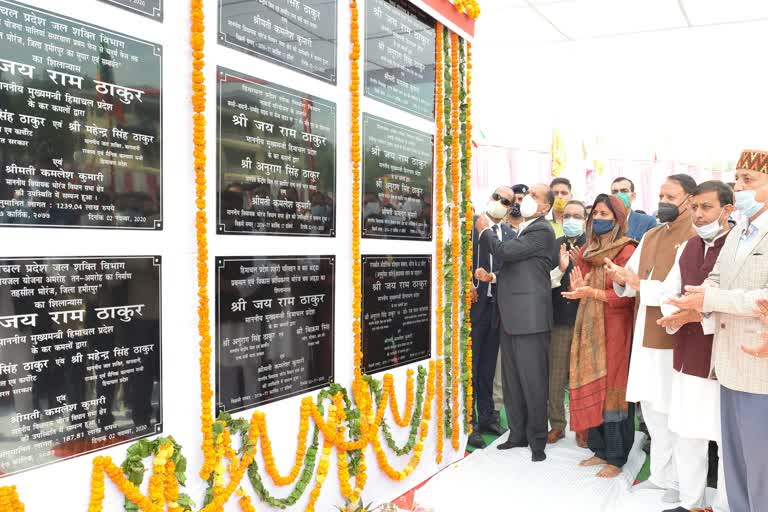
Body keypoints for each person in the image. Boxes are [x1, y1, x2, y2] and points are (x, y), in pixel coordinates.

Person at [666, 150, 768, 512]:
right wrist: (695, 300)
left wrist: (712, 297)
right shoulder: (740, 230)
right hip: (727, 365)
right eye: (737, 179)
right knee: (737, 462)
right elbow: (717, 278)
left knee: (761, 468)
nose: (738, 186)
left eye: (748, 181)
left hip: (760, 368)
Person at [605, 174, 697, 502]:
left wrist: (638, 283)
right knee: (652, 410)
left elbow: (679, 291)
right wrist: (619, 278)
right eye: (660, 194)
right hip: (645, 328)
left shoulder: (696, 237)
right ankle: (660, 475)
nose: (663, 201)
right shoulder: (654, 234)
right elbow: (630, 280)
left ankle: (679, 484)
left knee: (673, 412)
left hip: (676, 335)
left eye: (670, 196)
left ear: (689, 199)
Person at [649, 181, 735, 512]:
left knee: (729, 442)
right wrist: (675, 314)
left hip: (723, 360)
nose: (698, 215)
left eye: (707, 207)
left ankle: (728, 506)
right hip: (686, 356)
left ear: (727, 210)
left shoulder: (740, 246)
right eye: (695, 208)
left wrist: (694, 316)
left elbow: (740, 304)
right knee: (687, 434)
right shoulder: (688, 247)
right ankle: (692, 503)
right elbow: (669, 291)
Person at [474, 183, 556, 462]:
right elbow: (521, 269)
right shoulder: (524, 228)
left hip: (530, 318)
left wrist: (484, 230)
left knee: (532, 381)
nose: (526, 200)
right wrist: (493, 278)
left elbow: (505, 253)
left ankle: (537, 441)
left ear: (545, 207)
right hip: (511, 316)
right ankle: (517, 434)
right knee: (512, 381)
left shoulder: (542, 230)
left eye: (534, 196)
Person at [562, 195, 636, 478]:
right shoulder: (589, 249)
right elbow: (581, 282)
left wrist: (591, 293)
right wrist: (582, 288)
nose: (597, 219)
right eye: (594, 214)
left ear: (617, 219)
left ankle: (617, 458)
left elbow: (628, 298)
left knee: (613, 391)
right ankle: (600, 449)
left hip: (616, 329)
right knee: (592, 382)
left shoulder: (627, 251)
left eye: (604, 213)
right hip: (589, 327)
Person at [468, 187, 515, 448]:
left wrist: (492, 278)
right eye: (497, 197)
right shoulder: (471, 224)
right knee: (471, 367)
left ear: (510, 208)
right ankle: (470, 422)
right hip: (473, 307)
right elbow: (456, 258)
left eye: (505, 202)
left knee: (487, 368)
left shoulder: (509, 234)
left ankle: (487, 417)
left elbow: (507, 268)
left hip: (497, 308)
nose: (499, 203)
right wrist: (468, 283)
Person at [547, 200, 587, 444]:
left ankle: (583, 427)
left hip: (585, 319)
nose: (572, 220)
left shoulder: (592, 246)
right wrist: (561, 268)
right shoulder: (553, 245)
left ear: (585, 220)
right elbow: (543, 279)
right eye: (568, 215)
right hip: (559, 319)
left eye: (577, 216)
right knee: (556, 374)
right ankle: (557, 424)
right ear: (561, 219)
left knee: (581, 376)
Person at [611, 177, 658, 242]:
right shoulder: (603, 221)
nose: (619, 195)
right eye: (615, 192)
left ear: (633, 196)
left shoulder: (647, 222)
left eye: (624, 191)